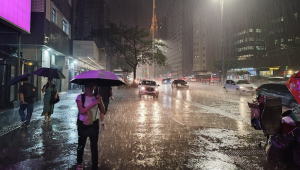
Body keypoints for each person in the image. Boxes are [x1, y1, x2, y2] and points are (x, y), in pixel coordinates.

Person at [76, 82, 105, 170]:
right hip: (83, 125)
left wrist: (100, 101)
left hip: (94, 124)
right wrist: (94, 103)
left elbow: (103, 111)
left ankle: (95, 165)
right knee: (81, 144)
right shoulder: (80, 97)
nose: (91, 88)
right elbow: (81, 111)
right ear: (85, 87)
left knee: (94, 146)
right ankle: (79, 163)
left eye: (92, 86)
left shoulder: (96, 97)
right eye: (89, 86)